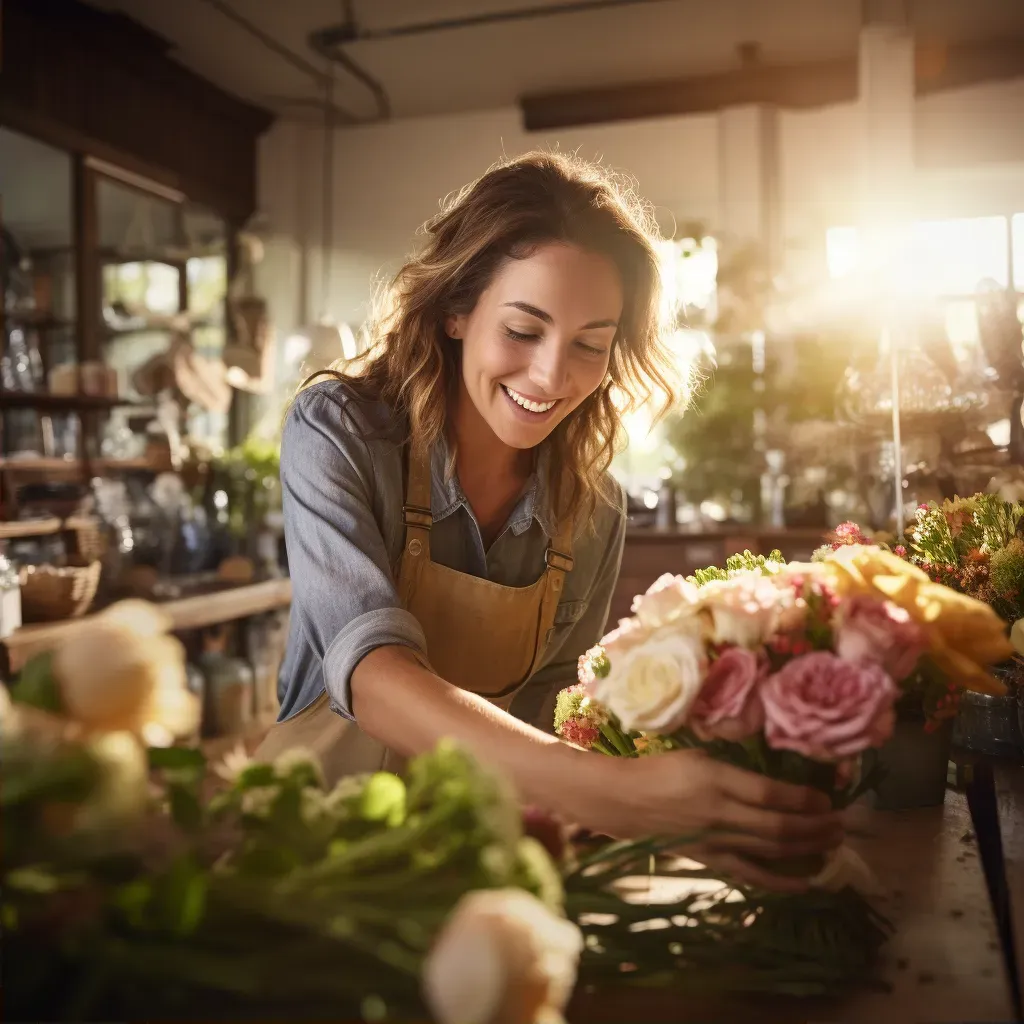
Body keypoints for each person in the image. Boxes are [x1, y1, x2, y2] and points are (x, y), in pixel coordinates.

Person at [256, 152, 842, 890]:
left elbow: (559, 722)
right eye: (524, 330)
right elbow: (372, 674)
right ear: (456, 310)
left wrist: (692, 814)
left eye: (590, 345)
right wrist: (625, 797)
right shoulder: (341, 430)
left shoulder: (591, 509)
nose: (551, 376)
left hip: (473, 870)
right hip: (304, 860)